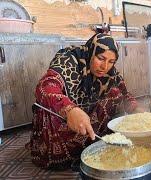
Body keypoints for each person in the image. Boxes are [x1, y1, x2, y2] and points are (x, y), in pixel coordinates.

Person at [29, 33, 139, 169]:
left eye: (111, 62)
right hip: (62, 119)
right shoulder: (68, 60)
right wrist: (69, 109)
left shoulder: (110, 72)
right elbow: (45, 87)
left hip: (85, 119)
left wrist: (138, 111)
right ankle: (62, 156)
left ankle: (91, 144)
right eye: (100, 58)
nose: (105, 67)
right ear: (91, 51)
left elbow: (125, 94)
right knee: (48, 107)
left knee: (115, 93)